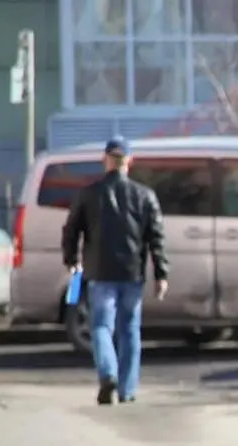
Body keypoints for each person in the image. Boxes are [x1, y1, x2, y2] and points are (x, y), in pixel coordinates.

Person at [61, 137, 169, 405]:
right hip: (132, 273)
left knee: (100, 326)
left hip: (99, 273)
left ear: (105, 160)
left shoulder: (89, 194)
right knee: (130, 330)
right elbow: (156, 237)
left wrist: (72, 260)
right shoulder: (145, 196)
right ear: (129, 162)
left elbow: (71, 229)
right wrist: (161, 274)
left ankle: (108, 374)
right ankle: (127, 389)